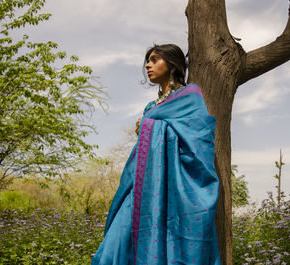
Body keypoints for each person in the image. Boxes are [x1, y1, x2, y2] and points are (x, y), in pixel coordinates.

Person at [91, 44, 221, 265]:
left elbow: (199, 136)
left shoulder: (190, 96)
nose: (147, 65)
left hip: (175, 188)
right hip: (143, 185)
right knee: (113, 247)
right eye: (147, 61)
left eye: (154, 59)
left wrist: (150, 126)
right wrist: (147, 129)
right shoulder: (151, 106)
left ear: (172, 64)